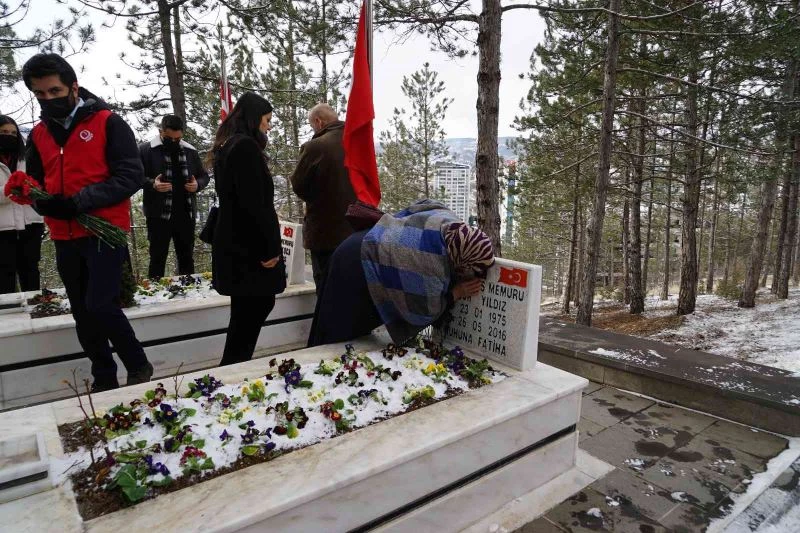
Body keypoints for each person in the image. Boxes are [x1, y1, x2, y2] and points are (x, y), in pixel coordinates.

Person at [22, 53, 153, 391]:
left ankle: (138, 364)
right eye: (40, 94)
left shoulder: (108, 122)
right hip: (64, 234)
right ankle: (104, 375)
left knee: (101, 303)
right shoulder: (38, 135)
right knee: (82, 311)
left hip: (103, 232)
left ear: (73, 87)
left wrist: (79, 202)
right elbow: (34, 182)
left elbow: (131, 176)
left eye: (55, 91)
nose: (49, 99)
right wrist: (44, 203)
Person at [309, 199, 494, 347]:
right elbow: (422, 313)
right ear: (462, 259)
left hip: (363, 241)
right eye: (470, 269)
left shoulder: (449, 222)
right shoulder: (428, 263)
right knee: (337, 330)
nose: (468, 275)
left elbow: (423, 204)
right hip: (357, 266)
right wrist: (457, 292)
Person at [208, 92, 285, 366]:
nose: (269, 125)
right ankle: (233, 367)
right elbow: (254, 204)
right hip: (248, 246)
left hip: (235, 241)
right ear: (254, 119)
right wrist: (269, 250)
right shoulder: (245, 148)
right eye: (267, 119)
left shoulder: (228, 144)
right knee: (256, 306)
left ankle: (233, 366)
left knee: (245, 311)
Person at [290, 103, 355, 295]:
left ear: (318, 122)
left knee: (327, 290)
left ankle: (328, 325)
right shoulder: (357, 143)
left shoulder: (315, 146)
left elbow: (299, 185)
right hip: (357, 231)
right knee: (350, 289)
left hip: (326, 233)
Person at [139, 114, 209, 279]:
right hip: (158, 215)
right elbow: (135, 177)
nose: (174, 142)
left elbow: (204, 176)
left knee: (186, 258)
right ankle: (155, 295)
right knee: (157, 257)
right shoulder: (145, 150)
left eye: (178, 138)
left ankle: (189, 291)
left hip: (186, 213)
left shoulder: (190, 151)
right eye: (169, 138)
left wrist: (197, 185)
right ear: (160, 131)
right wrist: (152, 184)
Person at [0, 115, 45, 293]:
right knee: (4, 272)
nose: (9, 136)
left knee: (30, 269)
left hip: (31, 223)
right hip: (3, 228)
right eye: (3, 132)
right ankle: (7, 315)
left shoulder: (27, 157)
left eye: (13, 132)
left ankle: (35, 308)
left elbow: (41, 182)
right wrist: (10, 190)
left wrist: (33, 190)